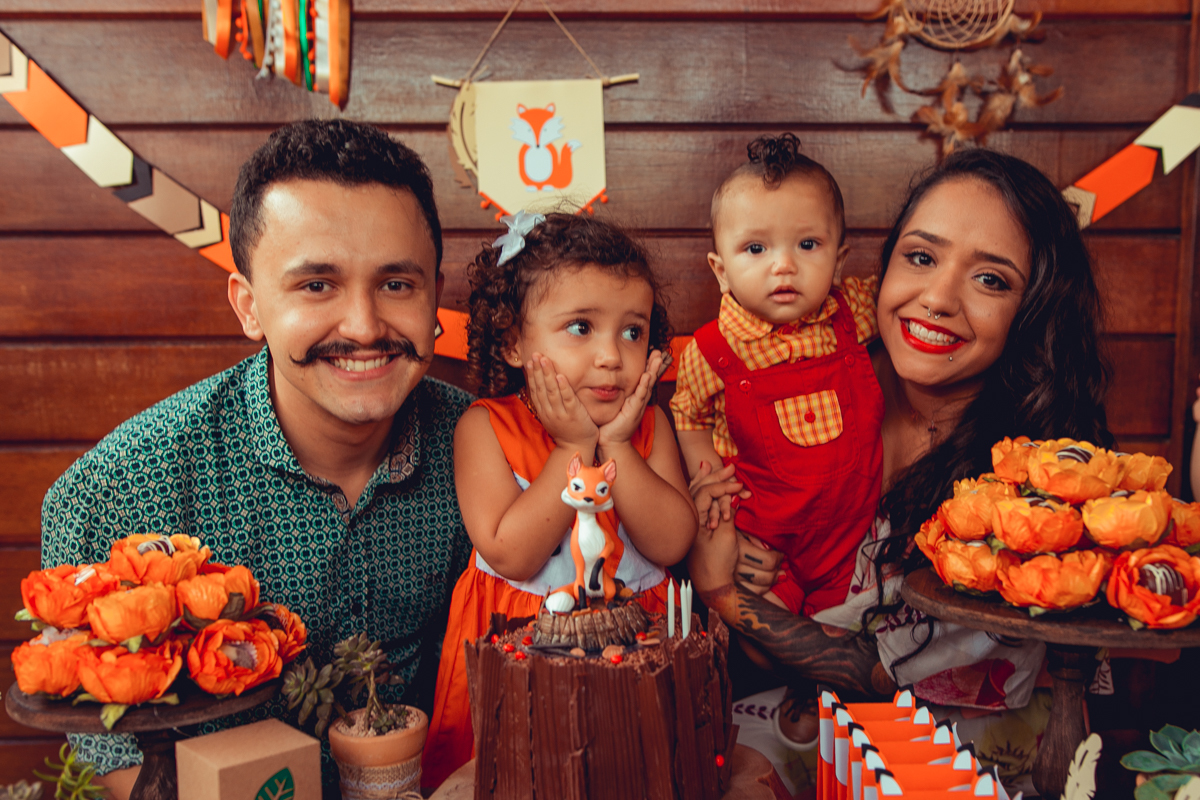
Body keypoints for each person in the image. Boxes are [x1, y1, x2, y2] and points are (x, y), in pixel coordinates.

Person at [39, 119, 474, 797]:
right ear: (250, 306)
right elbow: (110, 757)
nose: (363, 325)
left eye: (396, 284)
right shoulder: (123, 487)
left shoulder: (483, 449)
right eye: (316, 286)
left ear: (434, 295)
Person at [687, 148, 1112, 774]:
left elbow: (868, 669)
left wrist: (722, 591)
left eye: (990, 279)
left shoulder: (1034, 483)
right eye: (921, 257)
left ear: (1035, 308)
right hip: (803, 722)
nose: (937, 297)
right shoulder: (817, 382)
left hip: (960, 754)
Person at [422, 212, 698, 787]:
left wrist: (616, 443)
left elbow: (672, 542)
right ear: (514, 342)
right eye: (580, 327)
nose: (611, 356)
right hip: (517, 648)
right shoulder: (485, 428)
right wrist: (573, 445)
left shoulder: (647, 429)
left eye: (633, 331)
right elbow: (512, 555)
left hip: (635, 646)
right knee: (523, 778)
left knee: (629, 773)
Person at [669, 133, 882, 746]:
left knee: (852, 626)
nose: (783, 266)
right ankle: (792, 715)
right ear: (720, 266)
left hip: (849, 532)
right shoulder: (714, 348)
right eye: (755, 248)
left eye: (808, 245)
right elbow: (687, 412)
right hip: (769, 534)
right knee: (770, 638)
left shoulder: (855, 315)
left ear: (840, 259)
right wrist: (710, 479)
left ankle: (839, 730)